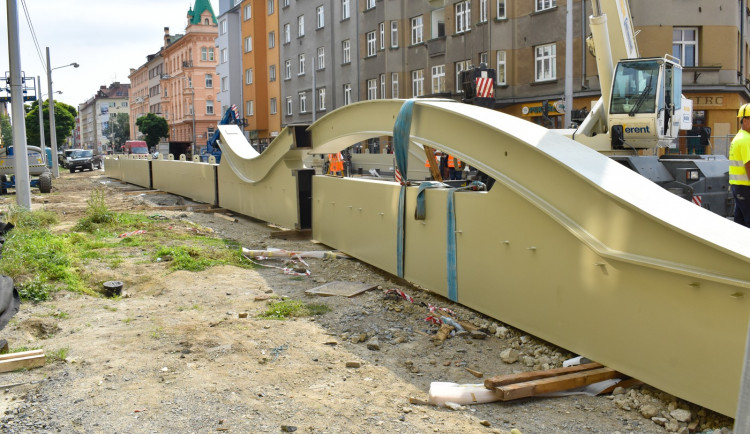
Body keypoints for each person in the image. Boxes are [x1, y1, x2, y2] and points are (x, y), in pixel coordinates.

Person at [729, 103, 750, 227]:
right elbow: (748, 166)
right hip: (746, 187)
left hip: (739, 187)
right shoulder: (746, 139)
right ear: (745, 120)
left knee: (740, 222)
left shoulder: (739, 137)